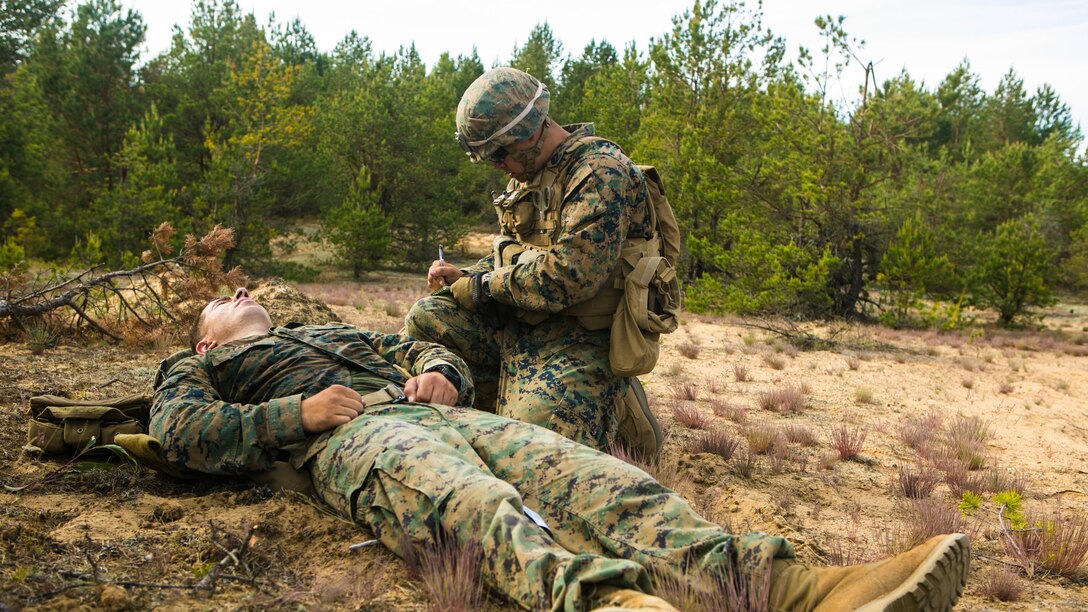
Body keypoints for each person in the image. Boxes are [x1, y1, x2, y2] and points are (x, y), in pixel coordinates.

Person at [151, 288, 971, 611]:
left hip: (439, 416)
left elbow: (422, 351)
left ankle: (792, 588)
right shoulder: (199, 365)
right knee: (474, 508)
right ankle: (615, 607)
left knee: (599, 481)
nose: (244, 292)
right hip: (352, 438)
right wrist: (296, 415)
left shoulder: (327, 332)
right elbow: (177, 432)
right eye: (226, 298)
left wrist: (439, 372)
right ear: (205, 332)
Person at [404, 66, 670, 452]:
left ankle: (617, 408)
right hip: (526, 323)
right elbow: (513, 254)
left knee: (533, 449)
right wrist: (466, 274)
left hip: (580, 338)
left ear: (527, 133)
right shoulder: (529, 174)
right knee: (427, 318)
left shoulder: (599, 173)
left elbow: (571, 275)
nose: (497, 165)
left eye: (499, 154)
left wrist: (481, 287)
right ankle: (496, 400)